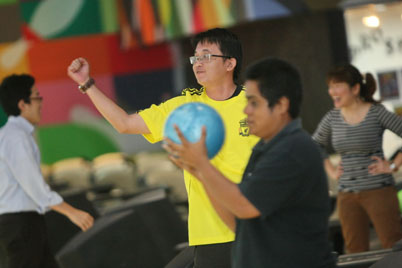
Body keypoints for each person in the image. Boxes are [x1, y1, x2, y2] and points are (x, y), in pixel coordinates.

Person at [67, 28, 258, 267]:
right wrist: (86, 84)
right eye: (195, 57)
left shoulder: (255, 104)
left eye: (206, 56)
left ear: (230, 63)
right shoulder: (183, 107)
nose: (198, 64)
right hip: (211, 232)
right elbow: (124, 124)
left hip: (256, 226)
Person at [163, 58, 335, 268]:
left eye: (254, 103)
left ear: (281, 105)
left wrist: (202, 165)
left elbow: (244, 207)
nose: (246, 111)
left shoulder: (293, 149)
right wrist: (198, 171)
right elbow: (238, 221)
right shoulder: (264, 150)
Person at [0, 74, 94, 268]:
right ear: (22, 104)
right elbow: (34, 186)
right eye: (36, 96)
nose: (41, 102)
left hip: (24, 221)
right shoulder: (17, 138)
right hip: (20, 223)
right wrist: (72, 212)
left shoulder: (11, 135)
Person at [312, 64, 402, 253]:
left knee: (393, 246)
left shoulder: (377, 112)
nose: (331, 91)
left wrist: (393, 165)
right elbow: (314, 145)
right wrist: (331, 170)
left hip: (379, 191)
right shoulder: (332, 118)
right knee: (355, 252)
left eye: (337, 86)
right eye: (330, 86)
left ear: (355, 88)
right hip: (347, 195)